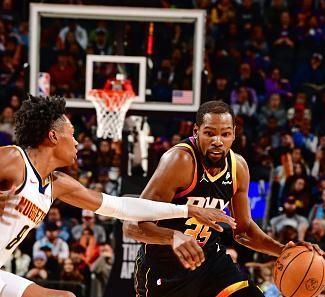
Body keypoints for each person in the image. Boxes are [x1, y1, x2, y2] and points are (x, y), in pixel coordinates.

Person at [0, 95, 235, 297]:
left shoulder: (58, 184)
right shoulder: (14, 160)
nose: (76, 142)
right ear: (52, 136)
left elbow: (121, 207)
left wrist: (186, 210)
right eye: (71, 135)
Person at [123, 101, 325, 297]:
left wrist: (283, 251)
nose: (217, 141)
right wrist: (173, 237)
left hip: (210, 262)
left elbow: (243, 231)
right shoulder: (180, 161)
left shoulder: (238, 167)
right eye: (209, 133)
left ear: (234, 135)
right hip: (166, 267)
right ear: (196, 132)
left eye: (225, 134)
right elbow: (131, 225)